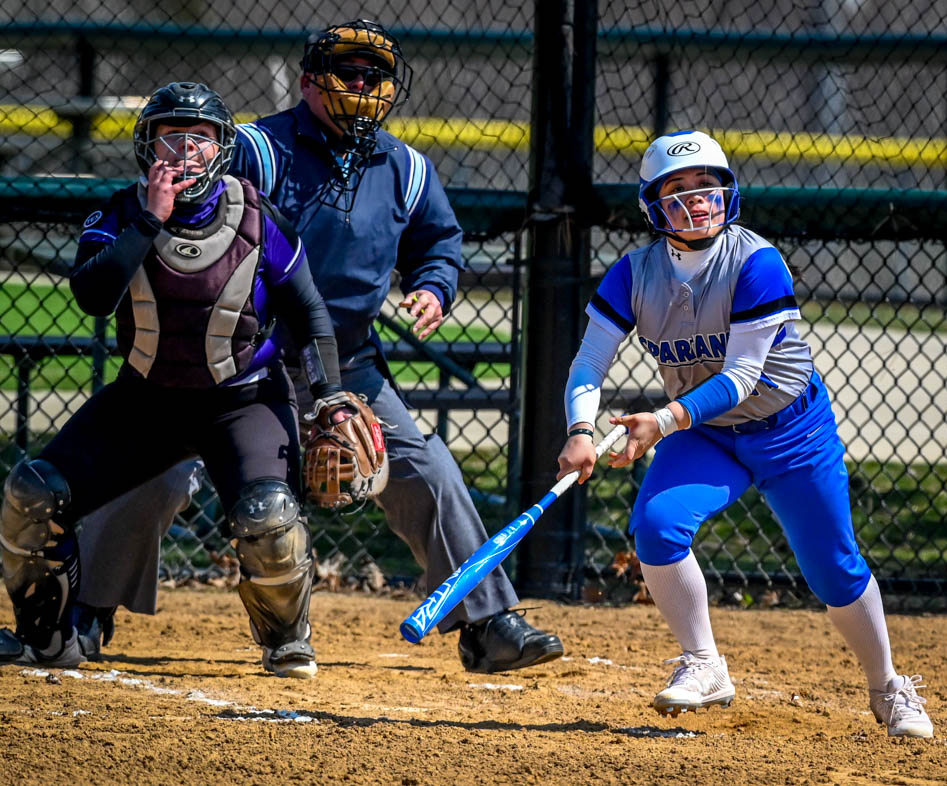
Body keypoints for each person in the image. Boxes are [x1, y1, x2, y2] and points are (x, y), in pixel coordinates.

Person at [70, 20, 564, 674]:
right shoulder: (258, 149)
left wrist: (435, 289)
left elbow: (438, 242)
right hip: (241, 358)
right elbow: (193, 194)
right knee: (157, 469)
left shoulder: (407, 168)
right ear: (308, 80)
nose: (360, 85)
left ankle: (488, 622)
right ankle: (83, 613)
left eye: (372, 74)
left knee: (426, 472)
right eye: (345, 71)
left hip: (348, 360)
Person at [556, 130, 934, 738]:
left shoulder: (757, 262)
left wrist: (662, 422)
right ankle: (704, 663)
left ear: (727, 192)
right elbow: (590, 361)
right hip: (707, 436)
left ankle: (889, 686)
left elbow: (742, 376)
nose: (697, 199)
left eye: (708, 185)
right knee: (656, 527)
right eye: (678, 189)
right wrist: (579, 429)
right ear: (653, 205)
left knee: (834, 569)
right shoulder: (634, 273)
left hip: (790, 429)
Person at [0, 81, 352, 679]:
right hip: (146, 401)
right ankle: (49, 637)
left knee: (268, 515)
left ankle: (288, 638)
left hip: (242, 401)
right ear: (146, 147)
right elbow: (92, 294)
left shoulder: (259, 218)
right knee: (34, 495)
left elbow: (308, 311)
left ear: (222, 148)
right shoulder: (119, 212)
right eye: (170, 139)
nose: (184, 152)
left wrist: (331, 396)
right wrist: (148, 219)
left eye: (200, 139)